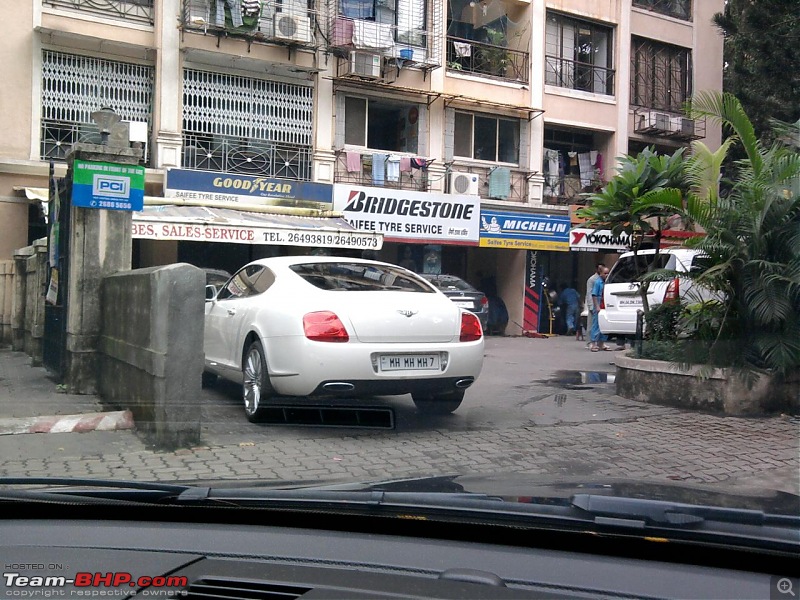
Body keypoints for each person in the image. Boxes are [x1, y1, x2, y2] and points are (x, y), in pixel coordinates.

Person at [590, 266, 612, 351]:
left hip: (605, 303)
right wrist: (597, 306)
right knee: (596, 324)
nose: (606, 275)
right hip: (599, 302)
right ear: (600, 273)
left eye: (608, 273)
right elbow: (594, 295)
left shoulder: (607, 282)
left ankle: (602, 342)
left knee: (604, 323)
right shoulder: (597, 282)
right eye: (605, 273)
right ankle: (593, 343)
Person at [585, 263, 604, 348]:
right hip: (593, 304)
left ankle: (600, 342)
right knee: (591, 324)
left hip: (601, 305)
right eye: (600, 269)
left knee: (599, 324)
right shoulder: (592, 279)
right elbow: (589, 293)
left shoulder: (603, 279)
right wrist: (591, 305)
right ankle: (589, 342)